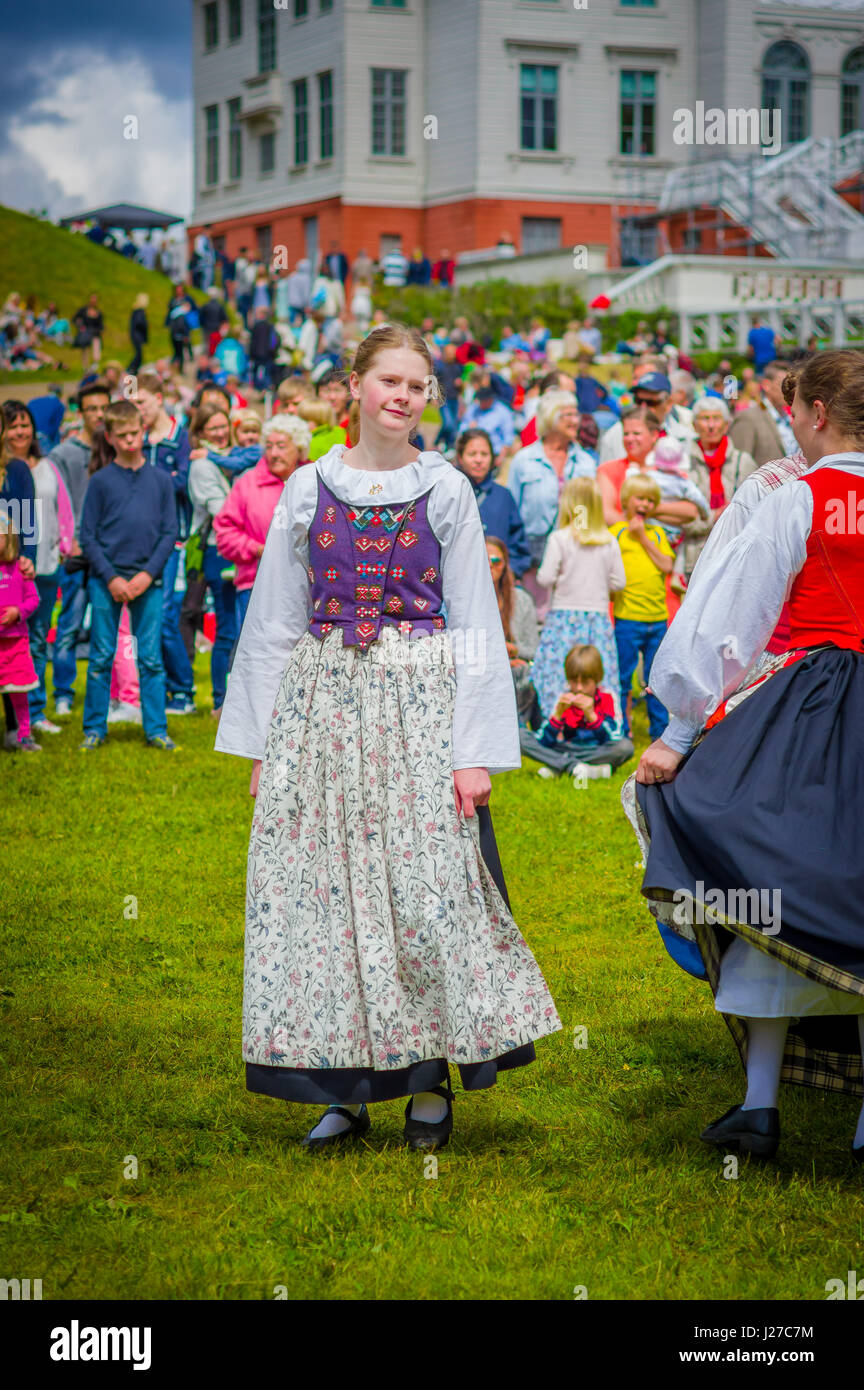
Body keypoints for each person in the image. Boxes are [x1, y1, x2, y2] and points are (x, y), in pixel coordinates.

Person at [213, 321, 562, 1151]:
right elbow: (272, 622)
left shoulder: (445, 488)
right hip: (324, 705)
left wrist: (473, 750)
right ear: (355, 387)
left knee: (423, 893)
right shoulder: (308, 487)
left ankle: (427, 1081)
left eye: (416, 386)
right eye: (388, 381)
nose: (401, 397)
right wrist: (263, 742)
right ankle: (344, 1083)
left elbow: (477, 623)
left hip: (420, 706)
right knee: (327, 894)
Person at [630, 348, 864, 1162]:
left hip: (812, 708)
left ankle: (761, 1104)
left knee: (766, 880)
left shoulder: (799, 498)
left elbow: (732, 617)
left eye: (798, 410)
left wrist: (679, 732)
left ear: (819, 414)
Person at [78, 401, 178, 751]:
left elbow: (170, 532)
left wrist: (147, 575)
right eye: (122, 435)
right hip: (107, 581)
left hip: (148, 582)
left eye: (135, 433)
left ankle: (156, 729)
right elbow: (87, 535)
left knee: (150, 658)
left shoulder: (161, 481)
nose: (130, 440)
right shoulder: (101, 481)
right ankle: (94, 728)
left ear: (143, 432)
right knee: (101, 656)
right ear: (110, 437)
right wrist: (111, 578)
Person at [2, 401, 73, 737]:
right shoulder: (12, 469)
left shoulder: (33, 468)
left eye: (24, 424)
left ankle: (31, 713)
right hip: (11, 567)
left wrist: (30, 554)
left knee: (34, 640)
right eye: (12, 425)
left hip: (36, 566)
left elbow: (34, 518)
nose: (20, 431)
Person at [530, 477, 625, 721]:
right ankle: (599, 722)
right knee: (597, 675)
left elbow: (545, 577)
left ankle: (558, 723)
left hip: (563, 618)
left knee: (557, 674)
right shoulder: (609, 541)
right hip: (597, 619)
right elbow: (619, 582)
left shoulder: (560, 539)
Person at [213, 413, 311, 634]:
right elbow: (225, 532)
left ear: (300, 449)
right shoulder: (249, 482)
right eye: (269, 446)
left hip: (304, 589)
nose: (274, 453)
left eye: (282, 446)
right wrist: (257, 549)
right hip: (255, 585)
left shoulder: (312, 480)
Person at [48, 381, 111, 717]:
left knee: (105, 629)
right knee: (69, 625)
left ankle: (102, 697)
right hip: (74, 553)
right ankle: (63, 691)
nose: (99, 415)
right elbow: (56, 501)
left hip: (106, 554)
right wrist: (65, 540)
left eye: (104, 408)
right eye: (92, 409)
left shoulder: (114, 448)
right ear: (81, 413)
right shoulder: (64, 454)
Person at [135, 372, 196, 715]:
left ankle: (183, 691)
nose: (138, 410)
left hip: (174, 541)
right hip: (142, 541)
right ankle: (157, 688)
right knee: (151, 618)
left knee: (169, 615)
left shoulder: (179, 437)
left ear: (159, 399)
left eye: (141, 402)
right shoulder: (138, 439)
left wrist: (152, 481)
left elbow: (184, 481)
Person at [506, 391, 597, 613]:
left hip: (574, 556)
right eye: (568, 415)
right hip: (532, 559)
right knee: (533, 617)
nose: (575, 421)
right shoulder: (524, 460)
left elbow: (590, 511)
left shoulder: (585, 462)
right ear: (550, 417)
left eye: (576, 414)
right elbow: (513, 513)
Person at [185, 405, 241, 714]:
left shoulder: (228, 459)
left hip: (234, 548)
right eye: (212, 429)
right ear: (200, 433)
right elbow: (222, 512)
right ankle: (220, 700)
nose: (220, 433)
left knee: (236, 624)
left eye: (223, 426)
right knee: (227, 626)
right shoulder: (202, 465)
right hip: (217, 551)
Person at [610, 474, 673, 743]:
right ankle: (622, 730)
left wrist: (644, 539)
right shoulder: (616, 534)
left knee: (655, 680)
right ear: (626, 501)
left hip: (657, 619)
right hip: (627, 619)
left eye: (650, 500)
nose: (645, 504)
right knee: (623, 678)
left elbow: (667, 566)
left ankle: (659, 732)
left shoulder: (657, 534)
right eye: (640, 498)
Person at [520, 643, 633, 780]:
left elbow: (614, 737)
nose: (579, 688)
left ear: (597, 679)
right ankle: (576, 767)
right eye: (574, 682)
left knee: (625, 747)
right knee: (520, 738)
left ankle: (559, 766)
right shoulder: (564, 697)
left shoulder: (607, 698)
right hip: (566, 748)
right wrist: (557, 715)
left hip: (596, 750)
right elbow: (543, 740)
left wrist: (592, 716)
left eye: (585, 683)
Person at [684, 397, 758, 576]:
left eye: (716, 419)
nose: (711, 425)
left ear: (726, 425)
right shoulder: (684, 461)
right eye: (705, 418)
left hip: (733, 556)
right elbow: (682, 518)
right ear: (694, 426)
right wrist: (713, 518)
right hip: (694, 557)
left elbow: (756, 510)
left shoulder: (743, 462)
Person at [454, 429, 529, 577]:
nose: (479, 460)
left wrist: (509, 574)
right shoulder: (450, 493)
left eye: (484, 454)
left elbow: (518, 542)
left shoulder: (503, 496)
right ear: (460, 458)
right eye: (472, 454)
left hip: (497, 582)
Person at [485, 535, 540, 728]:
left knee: (522, 671)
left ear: (505, 565)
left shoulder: (521, 600)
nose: (491, 565)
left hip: (516, 672)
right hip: (483, 670)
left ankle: (525, 729)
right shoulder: (466, 602)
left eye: (496, 561)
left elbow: (533, 650)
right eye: (485, 560)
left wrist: (513, 650)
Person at [0, 513, 41, 751]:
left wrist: (18, 612)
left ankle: (24, 734)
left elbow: (34, 598)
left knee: (19, 691)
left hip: (16, 643)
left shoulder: (19, 569)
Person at [729, 361, 797, 466]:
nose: (789, 390)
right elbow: (739, 466)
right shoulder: (748, 417)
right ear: (766, 386)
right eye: (784, 384)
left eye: (792, 385)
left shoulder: (789, 417)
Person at [165, 285, 195, 371]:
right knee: (176, 347)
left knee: (186, 344)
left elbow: (194, 309)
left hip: (184, 327)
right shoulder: (173, 300)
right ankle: (176, 363)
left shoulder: (187, 299)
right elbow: (170, 312)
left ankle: (184, 363)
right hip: (175, 327)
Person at [249, 308, 278, 391]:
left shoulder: (256, 326)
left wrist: (251, 353)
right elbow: (274, 340)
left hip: (257, 353)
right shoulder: (270, 326)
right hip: (268, 353)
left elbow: (253, 341)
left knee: (256, 372)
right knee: (266, 372)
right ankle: (266, 387)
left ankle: (258, 388)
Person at [72, 293, 104, 372]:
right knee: (85, 351)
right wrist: (80, 326)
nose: (93, 301)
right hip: (85, 334)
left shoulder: (99, 313)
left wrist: (101, 330)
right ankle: (85, 367)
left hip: (95, 333)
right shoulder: (83, 310)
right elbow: (75, 319)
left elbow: (101, 325)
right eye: (92, 299)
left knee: (96, 349)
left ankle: (94, 365)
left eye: (95, 299)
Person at [128, 294, 149, 375]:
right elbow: (140, 322)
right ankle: (131, 369)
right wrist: (145, 325)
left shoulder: (136, 310)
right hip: (137, 336)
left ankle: (133, 370)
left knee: (139, 355)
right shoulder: (139, 311)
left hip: (135, 335)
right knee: (139, 355)